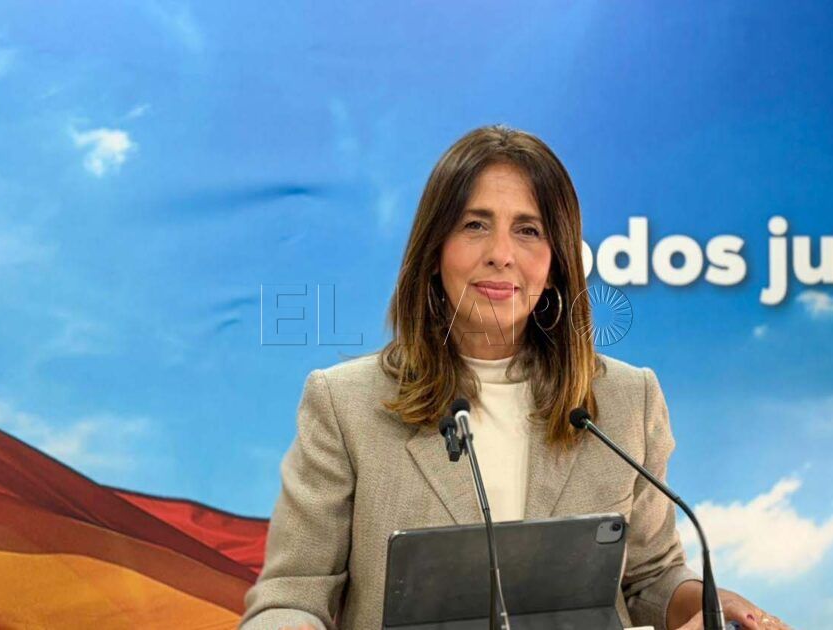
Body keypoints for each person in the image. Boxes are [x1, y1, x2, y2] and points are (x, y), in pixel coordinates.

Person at [240, 125, 790, 630]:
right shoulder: (345, 404)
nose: (501, 254)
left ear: (556, 263)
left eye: (528, 230)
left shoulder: (627, 400)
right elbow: (292, 596)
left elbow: (649, 577)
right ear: (435, 249)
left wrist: (709, 606)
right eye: (475, 225)